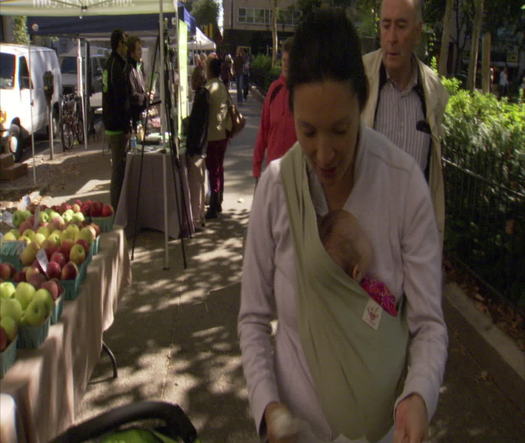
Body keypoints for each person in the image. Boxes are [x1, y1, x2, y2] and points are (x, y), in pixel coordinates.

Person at [239, 9, 447, 443]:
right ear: (290, 108)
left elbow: (428, 324)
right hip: (296, 432)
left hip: (384, 432)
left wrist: (419, 395)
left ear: (362, 102)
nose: (325, 153)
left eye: (340, 130)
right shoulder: (278, 188)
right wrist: (267, 406)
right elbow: (253, 318)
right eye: (308, 131)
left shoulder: (404, 184)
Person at [362, 0, 448, 241]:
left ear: (418, 32)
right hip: (362, 238)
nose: (391, 37)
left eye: (401, 26)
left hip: (412, 240)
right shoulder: (358, 78)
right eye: (385, 25)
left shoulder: (434, 91)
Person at [319, 209, 398, 317]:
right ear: (356, 272)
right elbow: (391, 318)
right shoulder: (376, 293)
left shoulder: (328, 303)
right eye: (362, 234)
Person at [252, 37, 296, 181]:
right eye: (284, 60)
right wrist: (257, 169)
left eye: (290, 61)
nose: (286, 65)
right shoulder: (274, 89)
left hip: (296, 175)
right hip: (273, 173)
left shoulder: (304, 92)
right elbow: (263, 131)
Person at [103, 29, 131, 210]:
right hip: (116, 125)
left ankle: (119, 206)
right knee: (118, 171)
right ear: (119, 44)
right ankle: (117, 209)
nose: (127, 47)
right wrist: (126, 124)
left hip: (114, 123)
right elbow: (121, 97)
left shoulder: (112, 63)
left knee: (119, 169)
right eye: (125, 43)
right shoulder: (116, 65)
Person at [205, 58, 232, 219]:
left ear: (210, 70)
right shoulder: (222, 87)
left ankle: (214, 204)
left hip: (212, 135)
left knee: (213, 170)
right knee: (218, 168)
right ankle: (219, 198)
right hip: (223, 133)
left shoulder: (209, 88)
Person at [186, 65, 210, 231]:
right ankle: (199, 216)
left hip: (197, 148)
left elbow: (197, 126)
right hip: (201, 147)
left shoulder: (201, 97)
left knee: (196, 186)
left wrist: (192, 146)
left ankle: (195, 219)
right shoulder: (204, 96)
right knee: (200, 184)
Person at [127, 35, 147, 131]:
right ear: (131, 53)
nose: (141, 52)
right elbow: (132, 95)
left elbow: (142, 88)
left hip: (140, 115)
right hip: (132, 118)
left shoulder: (138, 67)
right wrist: (144, 96)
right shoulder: (129, 70)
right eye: (138, 50)